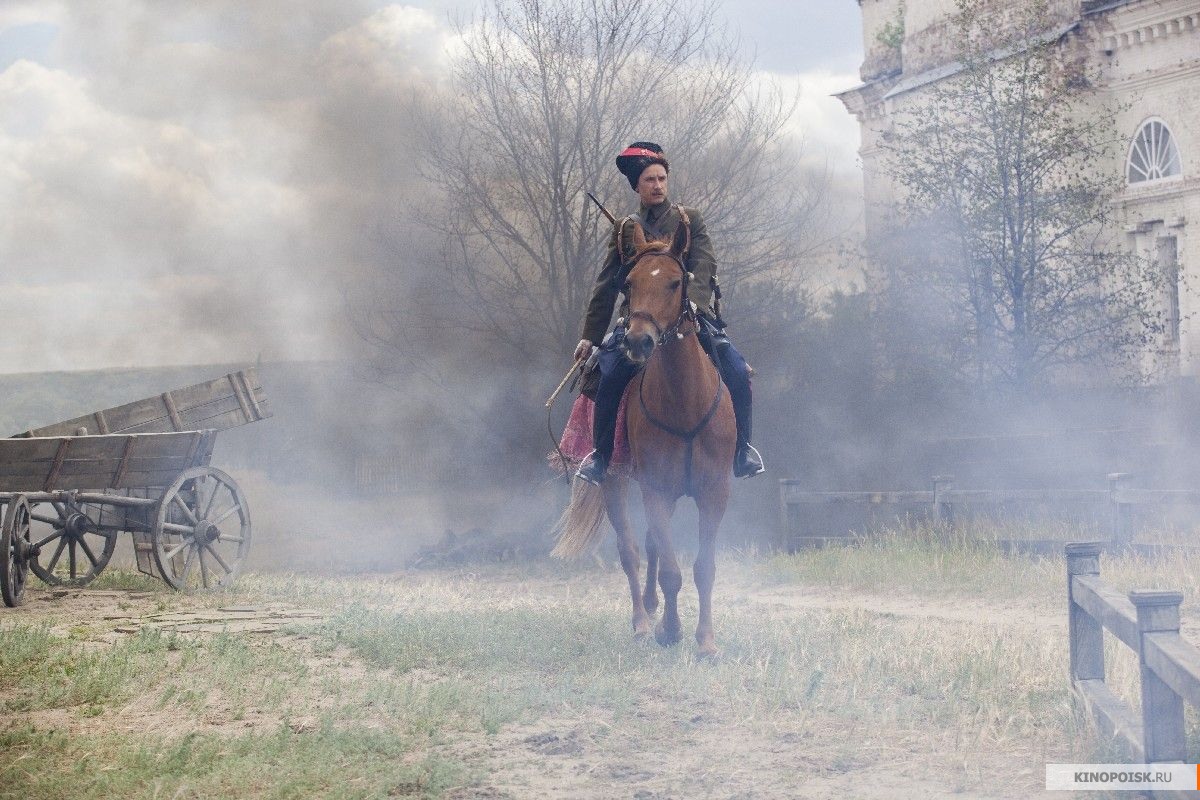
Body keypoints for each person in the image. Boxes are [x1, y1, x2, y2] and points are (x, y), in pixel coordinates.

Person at [574, 141, 764, 485]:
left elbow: (704, 263)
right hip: (638, 321)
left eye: (661, 178)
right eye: (649, 180)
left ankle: (743, 452)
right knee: (610, 378)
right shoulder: (624, 229)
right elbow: (606, 286)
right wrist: (590, 335)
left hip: (687, 317)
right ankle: (601, 458)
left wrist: (694, 301)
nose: (657, 185)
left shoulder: (689, 221)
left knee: (736, 370)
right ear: (637, 186)